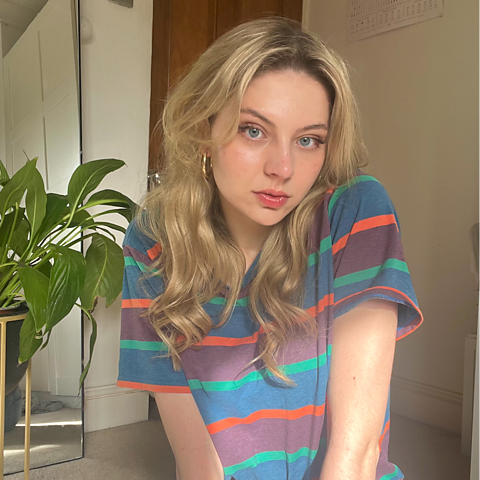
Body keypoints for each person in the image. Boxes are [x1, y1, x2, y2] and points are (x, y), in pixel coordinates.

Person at [116, 16, 423, 480]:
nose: (283, 167)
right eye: (253, 130)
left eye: (308, 140)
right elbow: (197, 459)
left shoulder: (355, 211)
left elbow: (352, 457)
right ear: (204, 131)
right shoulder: (152, 242)